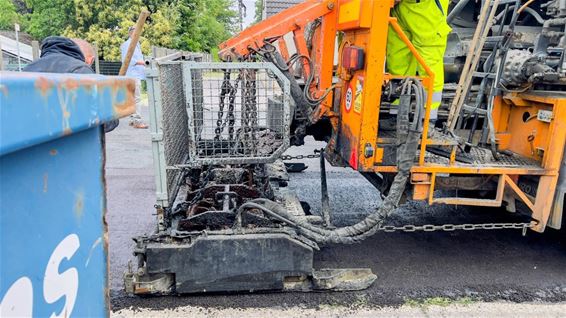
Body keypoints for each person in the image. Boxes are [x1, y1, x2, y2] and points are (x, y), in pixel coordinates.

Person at [23, 36, 119, 132]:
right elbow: (101, 120)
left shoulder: (28, 68)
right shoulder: (80, 69)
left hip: (32, 139)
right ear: (90, 60)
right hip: (68, 141)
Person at [386, 0, 451, 128]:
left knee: (429, 63)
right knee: (398, 61)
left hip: (426, 7)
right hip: (399, 7)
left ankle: (427, 121)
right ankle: (398, 115)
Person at [120, 26, 148, 129]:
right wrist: (144, 63)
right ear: (131, 33)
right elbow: (128, 60)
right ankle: (137, 120)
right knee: (137, 98)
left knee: (132, 98)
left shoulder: (135, 44)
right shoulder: (128, 44)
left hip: (133, 74)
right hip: (132, 75)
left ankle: (133, 119)